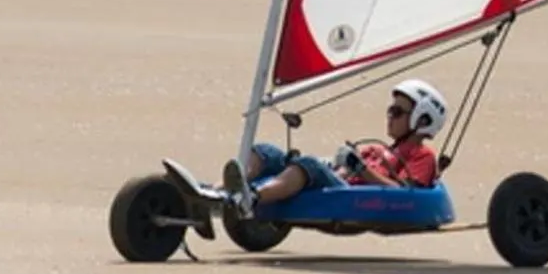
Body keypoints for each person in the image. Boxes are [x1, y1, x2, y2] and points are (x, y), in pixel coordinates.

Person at [162, 79, 446, 229]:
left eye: (397, 112)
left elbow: (408, 196)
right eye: (390, 110)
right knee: (268, 152)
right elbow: (344, 170)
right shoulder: (377, 149)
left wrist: (362, 171)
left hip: (357, 198)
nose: (389, 117)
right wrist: (343, 165)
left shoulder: (423, 156)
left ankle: (251, 198)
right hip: (343, 184)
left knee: (307, 165)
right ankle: (216, 193)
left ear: (421, 120)